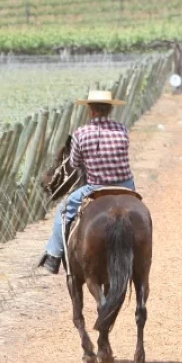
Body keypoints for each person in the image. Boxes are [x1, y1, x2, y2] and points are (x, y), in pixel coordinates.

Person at [39, 90, 135, 274]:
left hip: (96, 188)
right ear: (110, 109)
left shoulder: (80, 134)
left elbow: (74, 163)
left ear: (90, 110)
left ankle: (53, 256)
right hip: (126, 186)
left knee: (63, 210)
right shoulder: (122, 129)